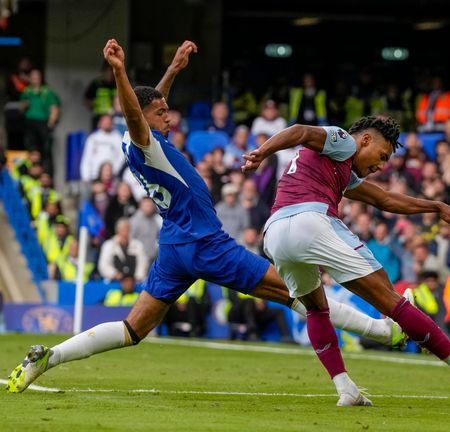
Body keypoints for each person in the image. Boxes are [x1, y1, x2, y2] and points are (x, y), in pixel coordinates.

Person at [5, 39, 406, 395]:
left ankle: (49, 357)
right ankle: (381, 330)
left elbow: (147, 105)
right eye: (162, 113)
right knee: (300, 294)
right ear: (146, 118)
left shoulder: (137, 141)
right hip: (205, 242)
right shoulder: (143, 137)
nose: (170, 116)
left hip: (175, 245)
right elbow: (136, 110)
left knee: (133, 329)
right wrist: (119, 72)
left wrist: (175, 69)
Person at [243, 115, 450, 407]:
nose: (381, 166)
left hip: (275, 233)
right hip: (309, 221)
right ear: (365, 140)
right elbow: (300, 131)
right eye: (382, 155)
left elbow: (385, 200)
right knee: (390, 299)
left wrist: (436, 206)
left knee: (316, 309)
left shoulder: (335, 167)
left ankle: (345, 388)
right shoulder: (342, 142)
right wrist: (263, 152)